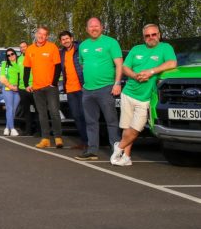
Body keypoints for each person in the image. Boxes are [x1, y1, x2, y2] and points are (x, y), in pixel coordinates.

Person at [111, 24, 177, 167]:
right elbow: (125, 67)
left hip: (145, 97)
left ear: (159, 35)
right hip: (128, 93)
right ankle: (126, 157)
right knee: (126, 127)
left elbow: (172, 63)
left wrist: (151, 72)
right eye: (147, 35)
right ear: (144, 37)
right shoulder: (136, 49)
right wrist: (135, 75)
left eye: (153, 34)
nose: (151, 38)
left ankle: (119, 146)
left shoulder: (165, 48)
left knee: (136, 129)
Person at [75, 17, 123, 161]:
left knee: (111, 121)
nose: (94, 29)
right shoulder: (83, 46)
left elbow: (119, 64)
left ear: (102, 27)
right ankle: (92, 150)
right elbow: (83, 65)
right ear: (86, 29)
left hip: (106, 88)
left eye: (96, 26)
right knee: (90, 121)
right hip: (88, 90)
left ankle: (117, 152)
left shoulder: (111, 42)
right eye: (91, 26)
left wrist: (117, 83)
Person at [23, 27, 64, 148]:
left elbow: (58, 66)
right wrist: (26, 84)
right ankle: (45, 139)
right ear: (36, 34)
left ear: (47, 36)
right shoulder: (30, 49)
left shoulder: (52, 47)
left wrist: (54, 83)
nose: (41, 36)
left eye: (44, 34)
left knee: (54, 112)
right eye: (40, 33)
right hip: (36, 87)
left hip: (50, 87)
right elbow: (26, 68)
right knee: (42, 114)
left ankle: (58, 137)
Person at [59, 31, 88, 150]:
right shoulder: (61, 53)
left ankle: (91, 142)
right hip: (70, 89)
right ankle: (84, 141)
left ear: (72, 38)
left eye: (67, 38)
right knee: (76, 116)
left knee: (84, 115)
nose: (65, 41)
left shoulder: (80, 48)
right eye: (63, 39)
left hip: (82, 87)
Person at [16, 41, 36, 135]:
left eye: (24, 47)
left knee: (37, 109)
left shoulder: (33, 56)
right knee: (26, 110)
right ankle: (28, 130)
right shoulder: (19, 59)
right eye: (21, 47)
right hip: (22, 88)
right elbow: (18, 73)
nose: (23, 48)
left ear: (28, 47)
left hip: (33, 87)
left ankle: (39, 131)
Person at [0, 48, 20, 136]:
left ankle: (7, 127)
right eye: (8, 55)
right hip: (8, 89)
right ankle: (12, 128)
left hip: (18, 89)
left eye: (12, 54)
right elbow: (2, 78)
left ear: (15, 54)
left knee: (14, 110)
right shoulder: (5, 64)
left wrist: (18, 87)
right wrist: (10, 86)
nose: (11, 56)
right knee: (10, 108)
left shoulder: (19, 63)